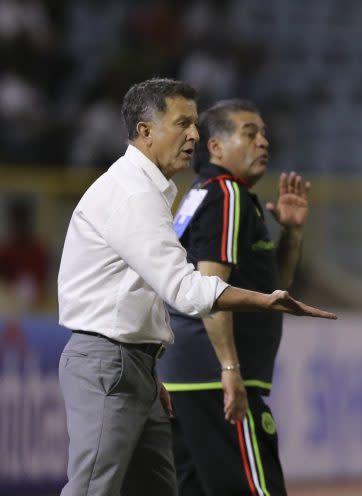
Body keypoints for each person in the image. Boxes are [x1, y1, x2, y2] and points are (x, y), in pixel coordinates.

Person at [57, 78, 335, 496]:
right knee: (93, 489)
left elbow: (144, 289)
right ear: (145, 131)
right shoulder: (150, 195)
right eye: (183, 123)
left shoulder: (163, 192)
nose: (193, 134)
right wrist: (256, 319)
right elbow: (189, 289)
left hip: (139, 366)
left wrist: (153, 370)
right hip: (113, 364)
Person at [156, 99, 306, 495]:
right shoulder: (228, 195)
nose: (263, 142)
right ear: (216, 148)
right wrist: (229, 369)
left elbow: (272, 291)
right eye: (249, 132)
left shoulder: (201, 194)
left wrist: (290, 234)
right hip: (213, 379)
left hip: (185, 379)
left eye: (264, 133)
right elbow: (210, 290)